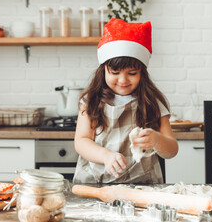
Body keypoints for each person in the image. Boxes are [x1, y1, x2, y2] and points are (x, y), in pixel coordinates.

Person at [73, 18, 178, 184]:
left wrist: (157, 140)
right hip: (94, 183)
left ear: (142, 73)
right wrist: (105, 155)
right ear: (103, 71)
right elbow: (81, 142)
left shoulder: (152, 102)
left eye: (132, 73)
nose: (123, 80)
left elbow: (171, 151)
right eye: (115, 72)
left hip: (142, 185)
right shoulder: (91, 101)